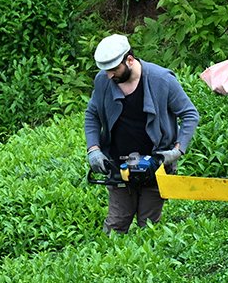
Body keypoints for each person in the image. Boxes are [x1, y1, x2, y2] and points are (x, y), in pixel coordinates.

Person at [84, 34, 200, 234]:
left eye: (114, 69)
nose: (110, 75)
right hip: (118, 164)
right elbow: (91, 114)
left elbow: (190, 114)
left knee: (149, 227)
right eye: (106, 71)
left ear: (129, 60)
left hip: (155, 163)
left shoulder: (161, 79)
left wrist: (178, 150)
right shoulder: (103, 81)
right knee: (115, 225)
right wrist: (93, 149)